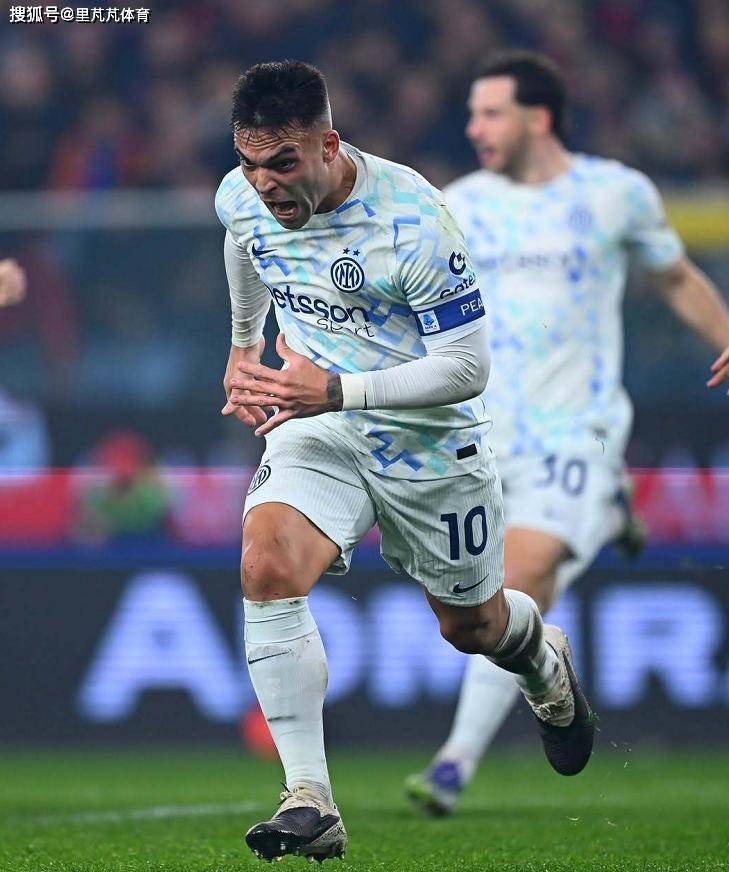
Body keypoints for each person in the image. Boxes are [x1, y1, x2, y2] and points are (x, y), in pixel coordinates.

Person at [215, 60, 594, 864]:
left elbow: (467, 368)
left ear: (328, 146)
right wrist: (245, 345)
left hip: (428, 443)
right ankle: (308, 797)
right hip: (319, 426)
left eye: (282, 163)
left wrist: (338, 389)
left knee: (472, 627)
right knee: (265, 565)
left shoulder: (414, 221)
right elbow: (243, 242)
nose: (264, 184)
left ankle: (541, 658)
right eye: (249, 163)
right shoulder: (242, 196)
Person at [405, 50, 729, 817]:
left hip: (573, 431)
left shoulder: (614, 194)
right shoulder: (459, 205)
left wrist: (724, 332)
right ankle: (609, 514)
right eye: (472, 113)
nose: (473, 127)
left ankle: (453, 763)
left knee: (518, 580)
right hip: (481, 434)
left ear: (538, 118)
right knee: (489, 609)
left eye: (490, 113)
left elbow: (673, 275)